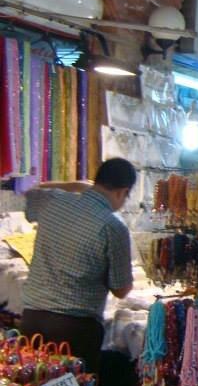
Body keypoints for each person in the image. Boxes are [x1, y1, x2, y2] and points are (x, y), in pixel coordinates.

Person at [20, 158, 137, 374]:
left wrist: (76, 186)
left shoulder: (53, 200)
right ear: (123, 191)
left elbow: (32, 189)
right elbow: (121, 290)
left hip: (31, 319)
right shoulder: (113, 226)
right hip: (74, 329)